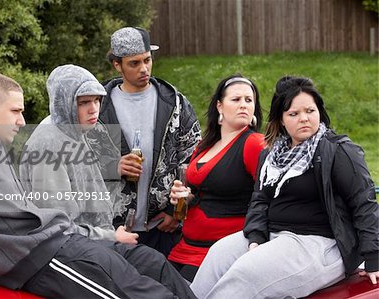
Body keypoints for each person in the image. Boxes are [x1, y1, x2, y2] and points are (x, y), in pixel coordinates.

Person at [0, 71, 197, 299]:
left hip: (59, 242)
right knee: (143, 293)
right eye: (16, 111)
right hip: (42, 256)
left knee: (152, 265)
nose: (22, 122)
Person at [190, 76, 379, 298]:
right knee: (218, 254)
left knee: (246, 274)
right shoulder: (271, 154)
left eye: (310, 111)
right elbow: (260, 199)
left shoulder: (337, 150)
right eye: (294, 114)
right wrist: (256, 236)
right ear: (280, 119)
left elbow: (363, 202)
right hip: (273, 233)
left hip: (319, 242)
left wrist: (374, 257)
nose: (304, 119)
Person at [100, 27, 201, 256]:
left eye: (147, 60)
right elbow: (79, 161)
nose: (144, 69)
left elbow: (193, 158)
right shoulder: (98, 106)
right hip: (113, 229)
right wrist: (113, 167)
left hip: (163, 227)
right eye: (134, 63)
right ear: (117, 64)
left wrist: (176, 211)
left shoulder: (174, 102)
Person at [19, 64, 138, 245]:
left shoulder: (74, 130)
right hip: (70, 254)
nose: (94, 109)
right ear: (63, 103)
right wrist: (112, 237)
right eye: (83, 102)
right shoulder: (49, 146)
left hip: (92, 244)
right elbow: (59, 228)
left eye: (97, 100)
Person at [167, 74, 264, 281]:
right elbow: (204, 192)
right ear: (220, 106)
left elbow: (267, 196)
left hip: (217, 254)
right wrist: (186, 197)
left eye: (249, 100)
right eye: (236, 100)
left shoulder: (254, 143)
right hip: (186, 246)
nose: (244, 105)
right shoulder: (205, 146)